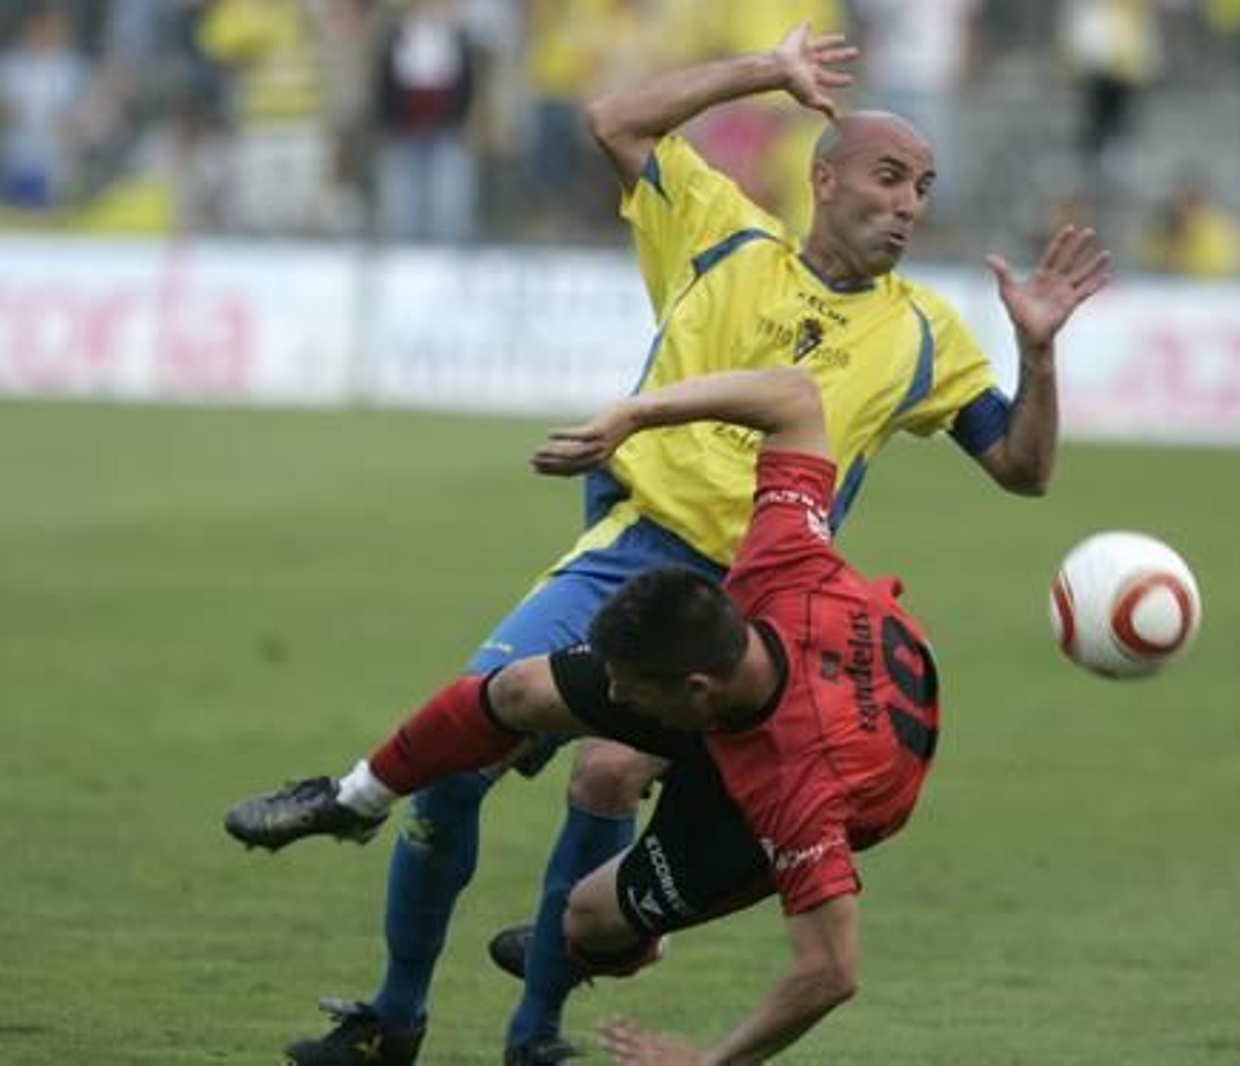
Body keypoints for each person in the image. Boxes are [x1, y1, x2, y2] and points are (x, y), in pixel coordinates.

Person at [254, 22, 1111, 1065]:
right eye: (888, 177)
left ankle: (538, 1035)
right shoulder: (720, 234)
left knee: (607, 777)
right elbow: (611, 119)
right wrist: (770, 72)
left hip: (759, 607)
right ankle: (395, 1017)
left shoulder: (926, 331)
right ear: (824, 175)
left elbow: (1023, 468)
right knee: (460, 761)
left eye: (924, 187)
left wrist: (1037, 354)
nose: (908, 204)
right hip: (633, 555)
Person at [229, 365, 947, 1063]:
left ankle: (635, 939)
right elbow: (793, 396)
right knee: (520, 694)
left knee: (589, 919)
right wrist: (632, 414)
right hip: (779, 687)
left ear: (693, 691)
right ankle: (356, 801)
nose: (615, 698)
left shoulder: (798, 795)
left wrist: (709, 1062)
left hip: (807, 770)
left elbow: (830, 970)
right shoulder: (779, 557)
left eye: (630, 689)